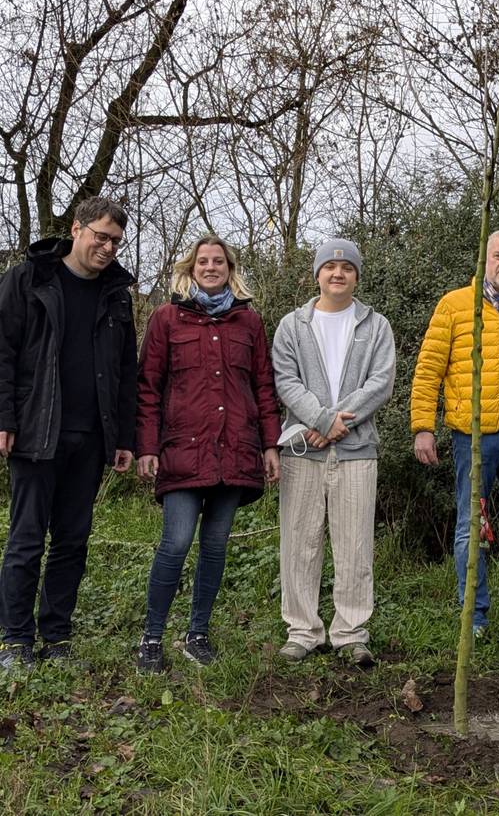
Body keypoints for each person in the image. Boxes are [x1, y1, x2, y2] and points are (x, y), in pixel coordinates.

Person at [0, 196, 137, 671]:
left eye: (115, 241)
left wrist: (124, 437)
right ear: (76, 229)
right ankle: (16, 640)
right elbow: (3, 351)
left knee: (73, 541)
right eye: (100, 235)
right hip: (37, 432)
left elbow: (125, 371)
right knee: (26, 540)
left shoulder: (116, 294)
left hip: (91, 435)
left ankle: (56, 637)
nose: (107, 247)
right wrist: (5, 417)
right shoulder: (29, 279)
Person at [135, 236, 281, 672]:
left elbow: (264, 387)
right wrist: (147, 446)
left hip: (235, 453)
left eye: (219, 261)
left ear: (230, 268)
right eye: (204, 261)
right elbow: (148, 388)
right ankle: (151, 638)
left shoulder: (249, 323)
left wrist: (270, 444)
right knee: (176, 542)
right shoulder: (166, 318)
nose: (211, 267)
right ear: (191, 267)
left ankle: (197, 634)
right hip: (181, 451)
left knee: (215, 546)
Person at [410, 230, 499, 645]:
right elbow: (429, 367)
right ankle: (476, 617)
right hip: (471, 437)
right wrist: (422, 426)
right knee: (471, 528)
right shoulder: (455, 306)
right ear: (484, 260)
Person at [272, 238, 395, 667]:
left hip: (358, 450)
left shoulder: (376, 325)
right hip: (302, 450)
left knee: (354, 543)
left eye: (346, 267)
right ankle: (303, 630)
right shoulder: (293, 325)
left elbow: (381, 382)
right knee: (299, 543)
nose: (337, 273)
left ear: (357, 275)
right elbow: (285, 381)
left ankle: (351, 633)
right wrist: (322, 421)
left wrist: (340, 423)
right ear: (317, 274)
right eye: (330, 266)